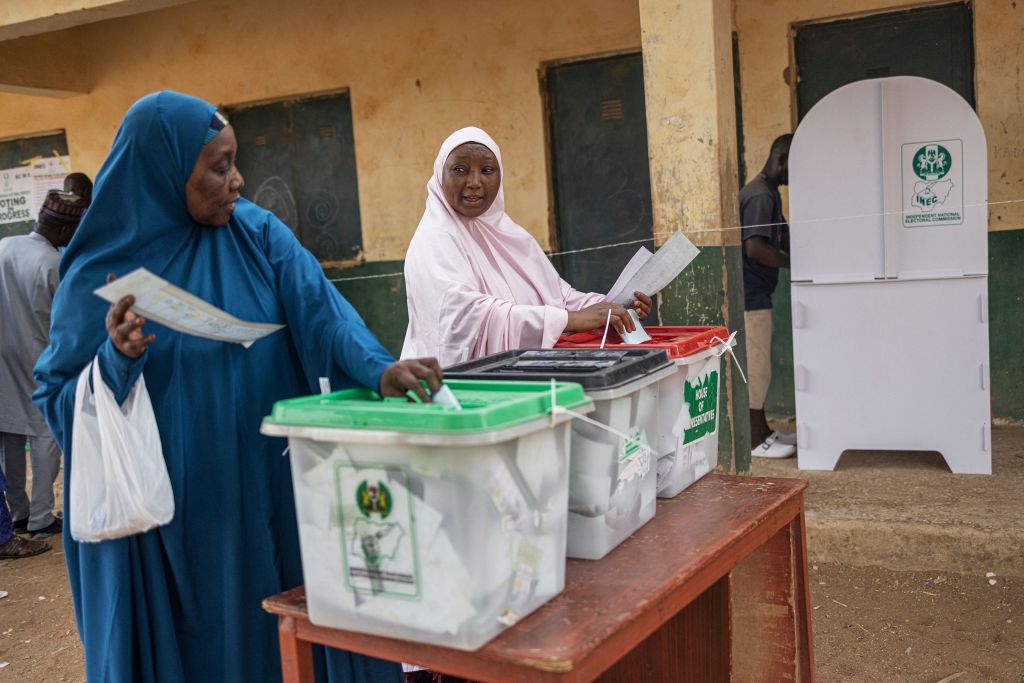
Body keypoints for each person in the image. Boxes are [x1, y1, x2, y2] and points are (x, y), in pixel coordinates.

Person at [33, 91, 440, 682]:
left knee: (281, 628)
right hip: (177, 520)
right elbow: (58, 398)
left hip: (271, 486)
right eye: (219, 166)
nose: (238, 180)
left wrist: (378, 368)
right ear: (165, 169)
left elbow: (321, 310)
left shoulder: (258, 235)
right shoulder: (100, 271)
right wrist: (115, 361)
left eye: (235, 162)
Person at [401, 127, 652, 365]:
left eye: (487, 170)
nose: (475, 181)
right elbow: (465, 318)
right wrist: (569, 320)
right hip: (456, 390)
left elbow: (558, 298)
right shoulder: (435, 239)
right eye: (459, 169)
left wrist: (614, 308)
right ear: (438, 175)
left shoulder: (507, 234)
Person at [0, 189, 89, 541]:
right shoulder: (54, 263)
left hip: (2, 356)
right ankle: (40, 518)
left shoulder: (5, 245)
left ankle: (18, 512)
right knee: (44, 433)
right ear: (66, 233)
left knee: (9, 434)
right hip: (37, 354)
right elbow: (67, 320)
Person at [741, 134, 797, 459]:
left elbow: (784, 236)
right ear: (781, 157)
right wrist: (794, 263)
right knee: (757, 367)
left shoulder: (768, 194)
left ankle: (763, 431)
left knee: (759, 366)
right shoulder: (760, 196)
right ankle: (753, 440)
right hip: (751, 296)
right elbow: (755, 247)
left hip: (759, 293)